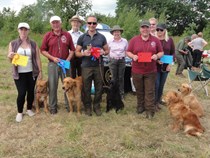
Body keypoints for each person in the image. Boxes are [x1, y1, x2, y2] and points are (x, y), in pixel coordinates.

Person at [126, 21, 163, 119]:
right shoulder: (134, 40)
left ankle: (150, 110)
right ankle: (140, 106)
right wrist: (133, 56)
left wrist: (156, 55)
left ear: (150, 28)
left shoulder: (155, 40)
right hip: (137, 70)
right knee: (139, 90)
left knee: (150, 91)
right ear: (140, 29)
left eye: (147, 27)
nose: (145, 29)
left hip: (151, 71)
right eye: (143, 27)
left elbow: (161, 52)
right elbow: (128, 51)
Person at [7, 22, 42, 122]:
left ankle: (29, 109)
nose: (23, 31)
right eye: (21, 29)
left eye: (25, 29)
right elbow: (10, 60)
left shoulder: (33, 43)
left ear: (28, 31)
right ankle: (19, 112)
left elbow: (38, 58)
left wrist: (40, 71)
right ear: (18, 30)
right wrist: (10, 56)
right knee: (22, 93)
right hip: (19, 73)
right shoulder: (13, 43)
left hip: (31, 72)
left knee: (31, 92)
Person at [40, 15, 75, 114]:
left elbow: (72, 50)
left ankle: (69, 106)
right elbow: (42, 50)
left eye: (57, 22)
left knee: (68, 85)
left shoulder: (67, 35)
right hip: (53, 64)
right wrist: (52, 58)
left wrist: (67, 60)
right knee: (52, 86)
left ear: (61, 23)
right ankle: (53, 107)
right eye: (53, 23)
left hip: (65, 63)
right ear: (51, 24)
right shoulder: (48, 35)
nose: (55, 24)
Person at [75, 15, 109, 116]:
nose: (92, 25)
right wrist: (83, 53)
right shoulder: (82, 37)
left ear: (96, 24)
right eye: (89, 23)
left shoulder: (102, 37)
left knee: (99, 87)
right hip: (86, 66)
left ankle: (97, 106)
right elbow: (76, 52)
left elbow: (107, 50)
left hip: (98, 65)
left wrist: (104, 52)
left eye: (94, 23)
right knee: (86, 87)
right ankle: (88, 107)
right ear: (86, 24)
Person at [155, 23, 175, 110]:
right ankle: (154, 102)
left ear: (165, 30)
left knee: (161, 85)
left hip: (166, 66)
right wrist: (156, 60)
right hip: (156, 65)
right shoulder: (154, 40)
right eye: (157, 30)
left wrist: (170, 64)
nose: (159, 31)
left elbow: (173, 52)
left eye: (161, 30)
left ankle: (158, 100)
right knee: (156, 84)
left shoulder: (169, 40)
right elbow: (151, 52)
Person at [108, 25, 128, 100]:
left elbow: (126, 51)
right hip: (113, 60)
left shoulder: (125, 41)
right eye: (115, 31)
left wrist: (123, 57)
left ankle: (121, 94)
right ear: (113, 33)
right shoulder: (109, 41)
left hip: (122, 61)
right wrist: (110, 59)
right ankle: (113, 93)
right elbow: (108, 51)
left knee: (121, 78)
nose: (116, 33)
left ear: (120, 32)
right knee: (113, 78)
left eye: (118, 31)